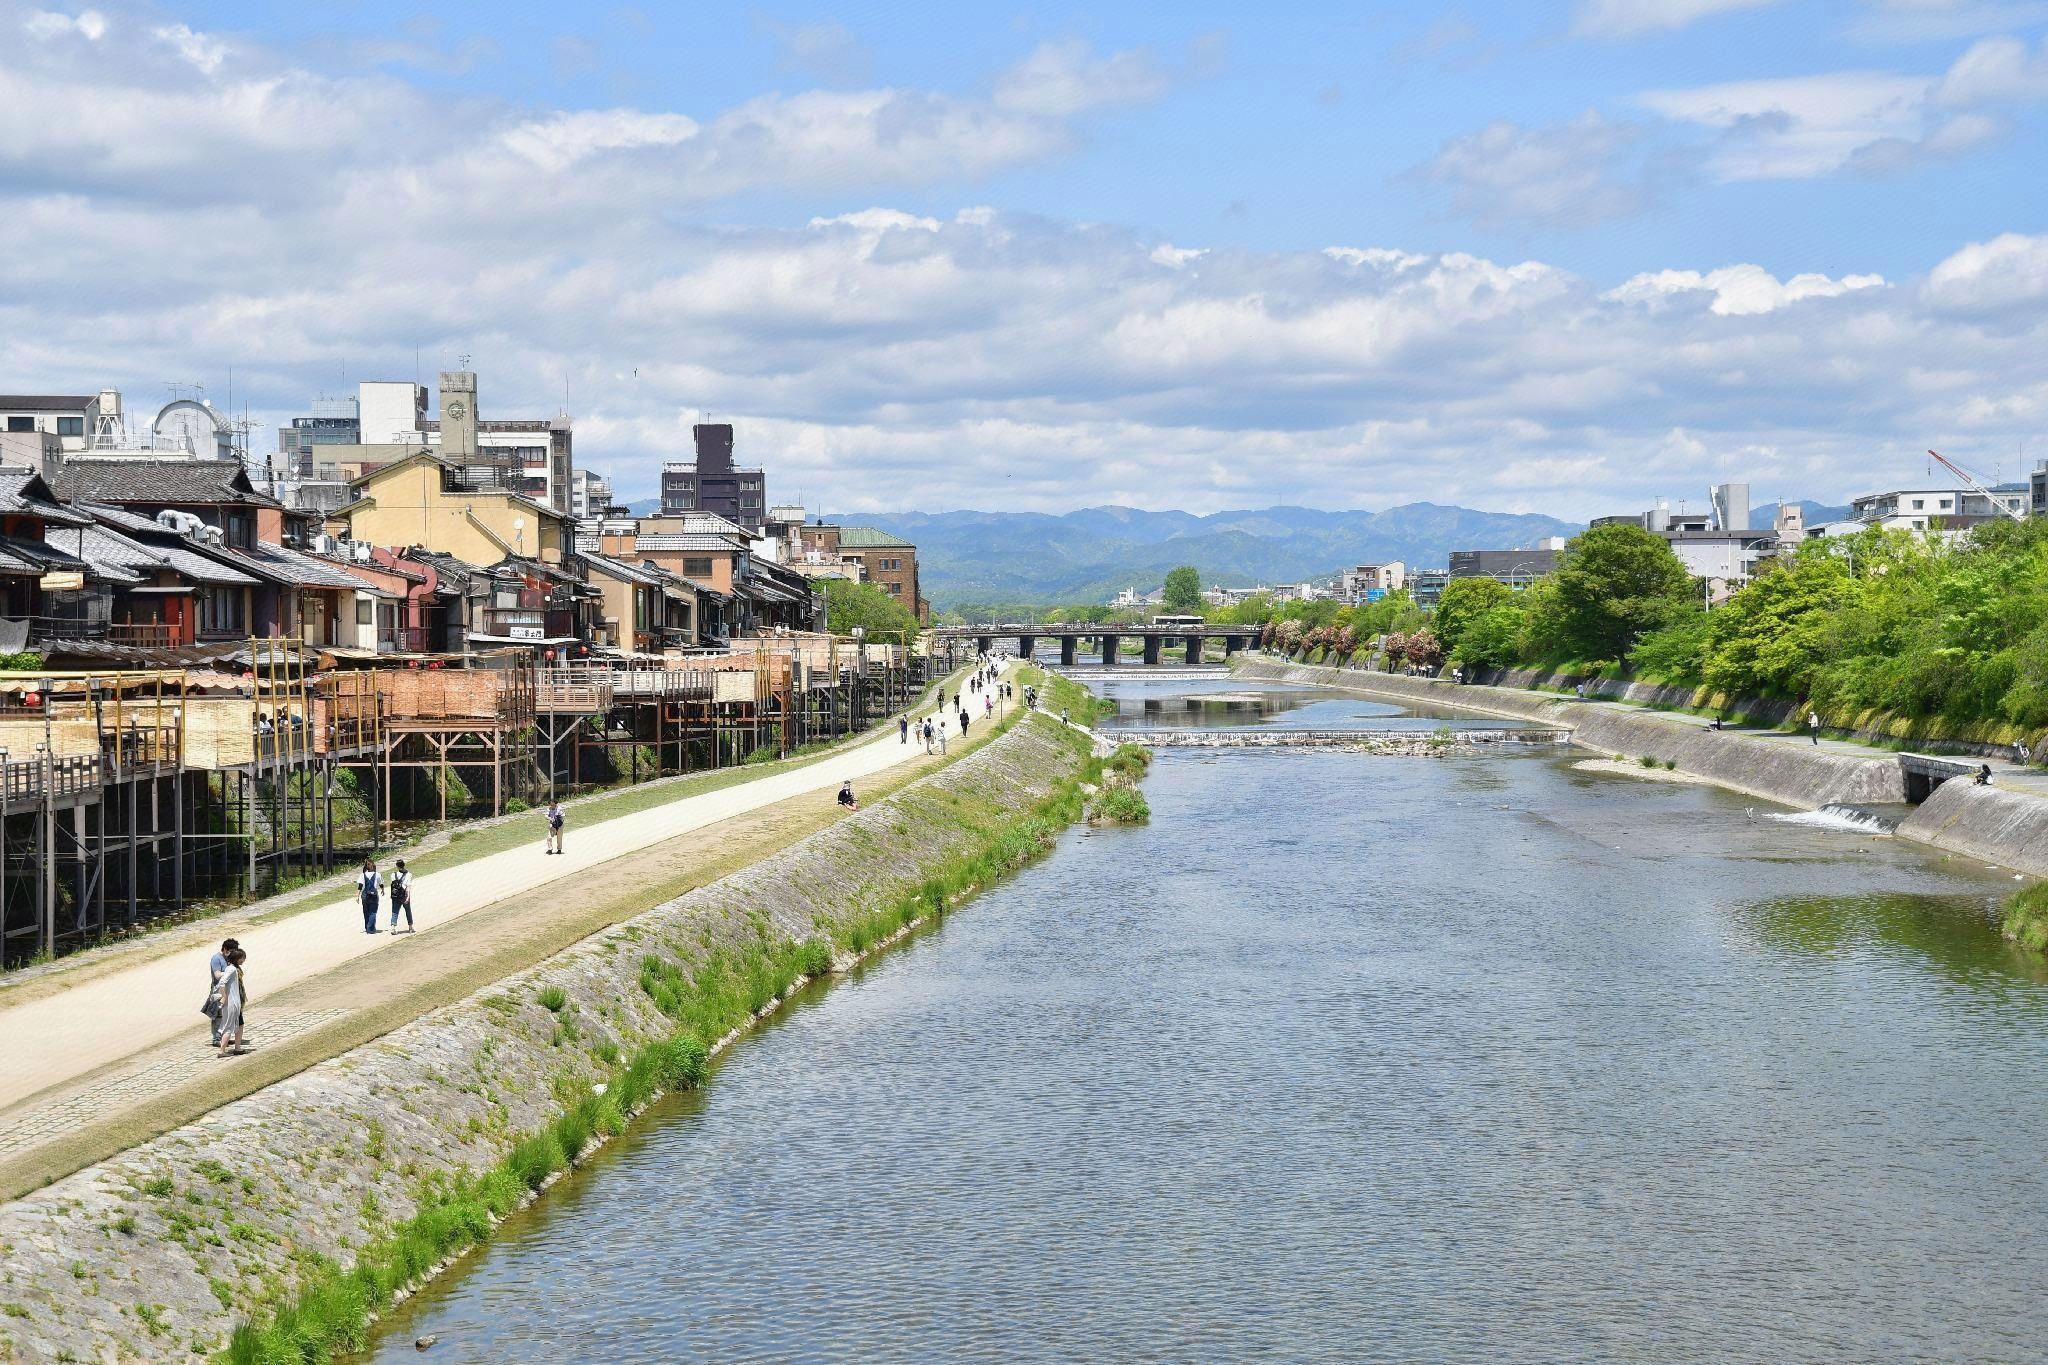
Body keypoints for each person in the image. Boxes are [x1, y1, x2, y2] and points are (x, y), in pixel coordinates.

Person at [213, 947, 247, 1058]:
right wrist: (224, 997)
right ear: (237, 958)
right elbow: (222, 982)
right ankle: (222, 1051)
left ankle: (237, 1048)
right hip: (232, 1003)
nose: (243, 960)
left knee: (237, 1024)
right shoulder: (232, 969)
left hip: (234, 1002)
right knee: (228, 1027)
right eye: (242, 958)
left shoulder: (232, 969)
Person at [205, 937, 239, 1046]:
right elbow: (217, 975)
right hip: (218, 990)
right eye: (231, 951)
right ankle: (216, 1039)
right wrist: (230, 972)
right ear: (225, 949)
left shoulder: (228, 959)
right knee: (218, 1015)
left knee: (226, 1014)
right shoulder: (216, 958)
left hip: (227, 990)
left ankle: (224, 1037)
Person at [388, 859, 413, 934]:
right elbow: (408, 887)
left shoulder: (393, 874)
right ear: (404, 865)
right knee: (408, 911)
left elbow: (393, 885)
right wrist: (408, 897)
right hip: (404, 894)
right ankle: (410, 927)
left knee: (395, 911)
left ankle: (393, 927)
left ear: (397, 866)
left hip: (395, 895)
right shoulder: (409, 874)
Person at [357, 860, 380, 934]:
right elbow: (381, 884)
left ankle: (368, 928)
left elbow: (360, 887)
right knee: (373, 912)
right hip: (374, 895)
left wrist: (357, 896)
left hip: (364, 895)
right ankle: (370, 928)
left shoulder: (362, 875)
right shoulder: (377, 874)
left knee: (366, 912)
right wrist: (382, 890)